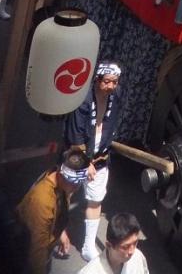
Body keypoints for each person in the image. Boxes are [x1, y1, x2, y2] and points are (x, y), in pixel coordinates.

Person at [63, 61, 124, 261]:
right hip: (77, 155)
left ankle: (88, 245)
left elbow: (111, 123)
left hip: (100, 156)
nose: (111, 86)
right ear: (97, 80)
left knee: (95, 200)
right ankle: (58, 233)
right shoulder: (83, 99)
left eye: (115, 82)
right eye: (107, 81)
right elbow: (75, 135)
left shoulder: (116, 95)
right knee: (66, 195)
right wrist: (85, 163)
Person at [15, 149, 89, 274]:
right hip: (27, 258)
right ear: (60, 173)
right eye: (73, 182)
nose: (76, 187)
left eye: (80, 182)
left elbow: (60, 208)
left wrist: (61, 232)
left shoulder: (62, 183)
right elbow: (36, 251)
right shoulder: (42, 202)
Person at [77, 212, 149, 274]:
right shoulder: (90, 271)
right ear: (108, 245)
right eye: (125, 247)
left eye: (135, 243)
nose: (132, 251)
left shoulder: (137, 257)